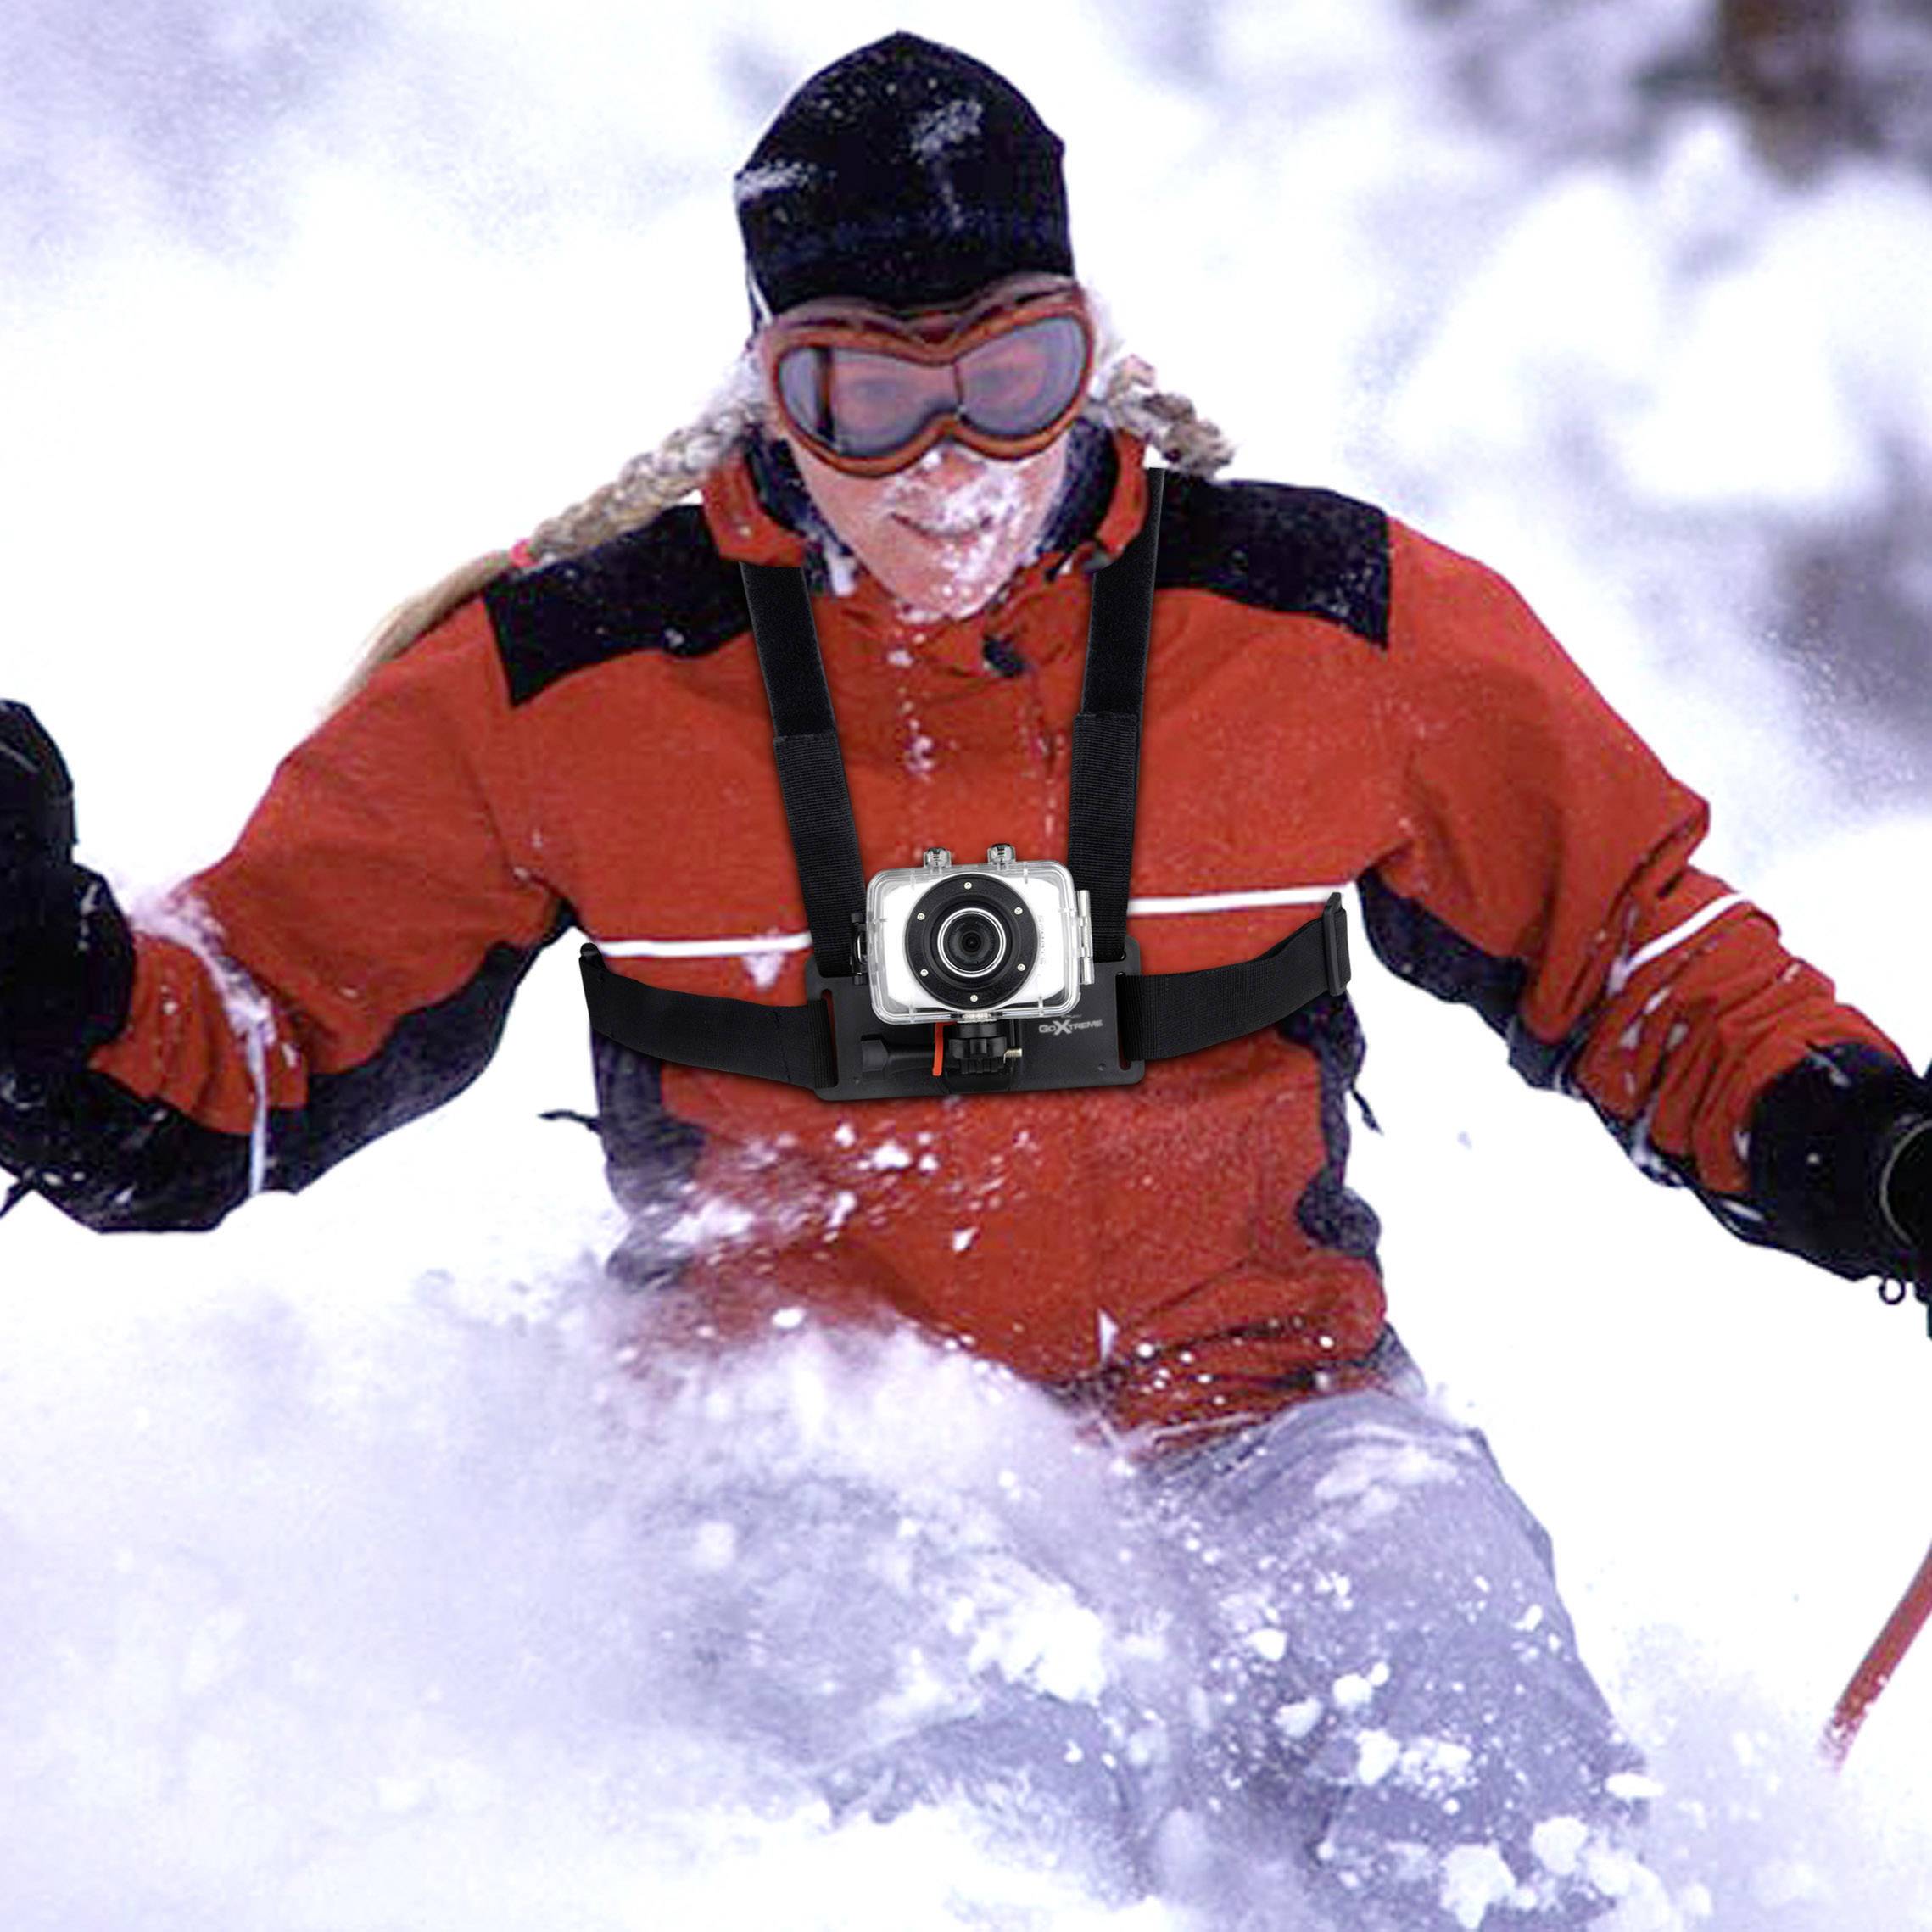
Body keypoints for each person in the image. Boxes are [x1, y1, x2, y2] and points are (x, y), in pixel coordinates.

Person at [2, 31, 1928, 1929]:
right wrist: (42, 989)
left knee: (1480, 1756)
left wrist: (1871, 1148)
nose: (946, 474)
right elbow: (234, 1048)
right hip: (827, 1427)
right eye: (861, 399)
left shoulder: (1323, 626)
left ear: (1089, 354)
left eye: (1012, 379)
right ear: (772, 392)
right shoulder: (565, 686)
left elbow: (1635, 945)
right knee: (979, 1763)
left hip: (1272, 1410)